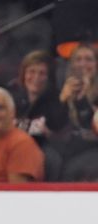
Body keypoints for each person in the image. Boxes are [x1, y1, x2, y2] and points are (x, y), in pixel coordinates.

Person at [9, 50, 68, 181]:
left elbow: (64, 144)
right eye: (31, 72)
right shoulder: (11, 100)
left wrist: (48, 133)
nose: (36, 78)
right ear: (23, 74)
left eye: (42, 73)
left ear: (49, 77)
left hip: (42, 164)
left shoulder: (57, 104)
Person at [57, 43, 98, 181]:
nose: (83, 64)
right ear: (72, 64)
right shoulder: (63, 89)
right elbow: (54, 125)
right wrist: (62, 100)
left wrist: (84, 99)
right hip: (69, 151)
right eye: (78, 59)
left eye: (88, 59)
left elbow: (90, 127)